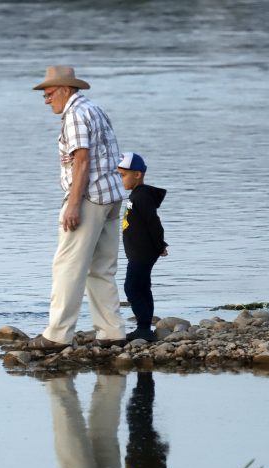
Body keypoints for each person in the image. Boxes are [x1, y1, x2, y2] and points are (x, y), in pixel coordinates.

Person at [26, 65, 126, 351]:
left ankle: (57, 335)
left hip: (89, 198)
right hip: (111, 195)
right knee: (102, 268)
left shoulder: (74, 114)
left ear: (65, 90)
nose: (46, 100)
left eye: (48, 93)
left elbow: (81, 161)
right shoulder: (94, 108)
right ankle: (112, 333)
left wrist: (73, 205)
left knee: (67, 266)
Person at [117, 152, 168, 342]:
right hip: (137, 252)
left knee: (132, 287)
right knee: (142, 287)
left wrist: (160, 244)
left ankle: (143, 328)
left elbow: (153, 222)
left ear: (137, 174)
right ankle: (145, 326)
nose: (120, 180)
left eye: (123, 175)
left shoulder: (142, 197)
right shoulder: (135, 195)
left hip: (142, 252)